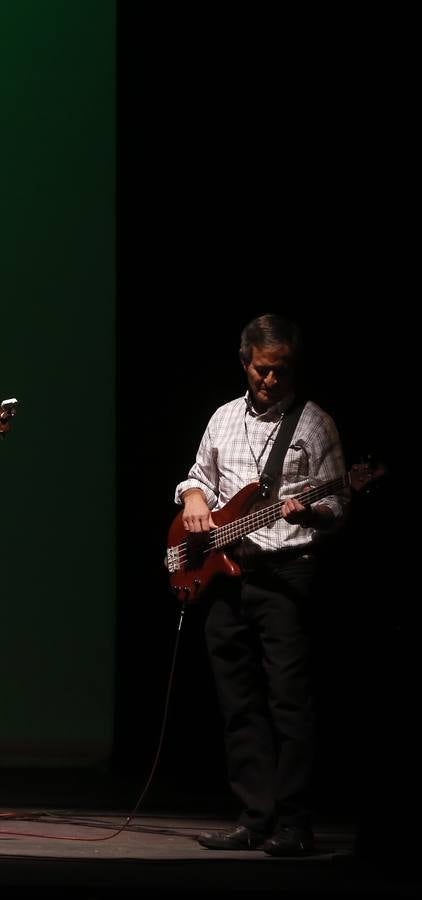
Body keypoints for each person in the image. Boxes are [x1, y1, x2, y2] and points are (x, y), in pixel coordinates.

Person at [176, 313, 346, 857]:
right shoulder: (223, 417)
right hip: (228, 572)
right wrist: (195, 499)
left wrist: (312, 514)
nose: (269, 381)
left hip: (285, 573)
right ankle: (254, 816)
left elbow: (338, 502)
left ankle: (295, 823)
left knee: (289, 701)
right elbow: (198, 476)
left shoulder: (315, 424)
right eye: (261, 371)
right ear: (245, 363)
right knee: (238, 701)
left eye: (280, 372)